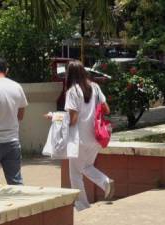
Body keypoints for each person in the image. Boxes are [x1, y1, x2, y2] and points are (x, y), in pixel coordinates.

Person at [64, 60, 114, 211]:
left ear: (69, 74)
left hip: (79, 138)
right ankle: (105, 182)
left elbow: (72, 119)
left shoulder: (72, 91)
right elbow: (107, 110)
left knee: (75, 174)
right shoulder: (96, 87)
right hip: (96, 138)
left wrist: (60, 122)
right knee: (86, 166)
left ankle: (82, 205)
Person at [0, 57, 27, 185]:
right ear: (7, 70)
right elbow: (20, 116)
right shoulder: (16, 87)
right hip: (12, 141)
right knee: (16, 182)